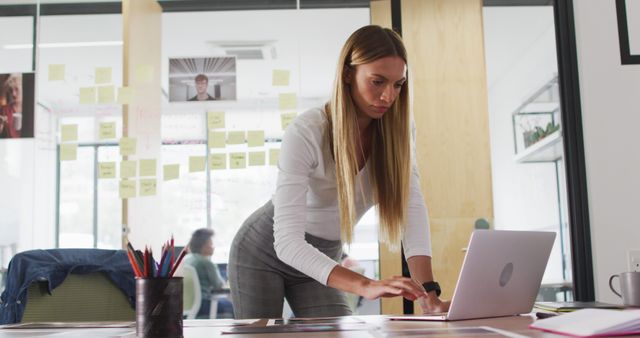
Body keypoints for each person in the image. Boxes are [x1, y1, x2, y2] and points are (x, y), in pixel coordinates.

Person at [228, 25, 450, 319]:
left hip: (323, 256)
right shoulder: (307, 131)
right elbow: (288, 243)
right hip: (263, 252)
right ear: (348, 74)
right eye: (377, 81)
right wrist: (366, 285)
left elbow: (412, 208)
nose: (387, 96)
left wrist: (429, 294)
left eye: (398, 85)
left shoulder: (400, 132)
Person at [183, 228, 233, 318]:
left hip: (188, 307)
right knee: (232, 307)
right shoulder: (206, 263)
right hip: (203, 304)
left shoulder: (186, 260)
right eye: (211, 244)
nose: (213, 247)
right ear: (204, 246)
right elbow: (219, 285)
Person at [0, 74, 22, 138]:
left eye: (16, 89)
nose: (13, 94)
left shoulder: (30, 109)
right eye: (11, 90)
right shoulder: (4, 110)